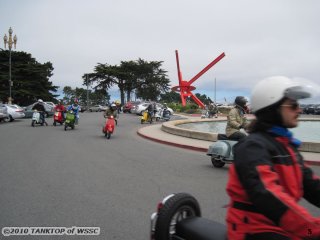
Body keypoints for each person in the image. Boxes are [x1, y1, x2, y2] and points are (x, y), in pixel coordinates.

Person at [226, 76, 320, 240]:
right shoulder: (253, 147)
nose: (299, 110)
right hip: (253, 229)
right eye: (293, 105)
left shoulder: (287, 147)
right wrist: (311, 228)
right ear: (273, 108)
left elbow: (311, 184)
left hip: (282, 226)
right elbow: (267, 193)